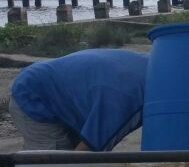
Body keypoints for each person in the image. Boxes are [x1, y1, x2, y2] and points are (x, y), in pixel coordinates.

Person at [9, 49, 148, 151]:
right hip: (34, 96)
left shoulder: (153, 66)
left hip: (62, 92)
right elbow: (88, 149)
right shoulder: (129, 99)